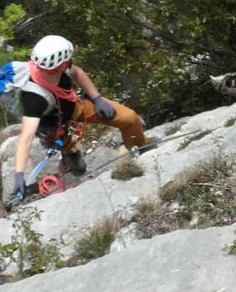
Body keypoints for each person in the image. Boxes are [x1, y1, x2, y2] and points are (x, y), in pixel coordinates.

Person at [10, 35, 147, 201]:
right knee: (69, 148)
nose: (70, 62)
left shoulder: (63, 67)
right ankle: (73, 161)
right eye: (68, 59)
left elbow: (77, 72)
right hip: (55, 125)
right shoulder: (34, 98)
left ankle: (140, 147)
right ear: (61, 64)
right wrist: (19, 175)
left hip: (75, 106)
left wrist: (97, 99)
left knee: (129, 118)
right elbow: (26, 138)